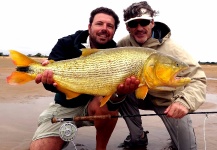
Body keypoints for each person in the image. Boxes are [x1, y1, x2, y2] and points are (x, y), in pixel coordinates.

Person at [29, 7, 140, 150]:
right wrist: (48, 80)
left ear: (113, 32)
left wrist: (121, 94)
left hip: (98, 106)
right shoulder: (66, 43)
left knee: (110, 106)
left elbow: (114, 101)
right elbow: (49, 85)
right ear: (89, 27)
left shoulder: (117, 52)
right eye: (99, 23)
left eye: (110, 26)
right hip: (66, 105)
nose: (104, 29)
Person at [117, 1, 207, 150]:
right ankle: (138, 137)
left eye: (144, 22)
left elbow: (198, 78)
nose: (139, 28)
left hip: (168, 101)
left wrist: (184, 102)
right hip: (139, 96)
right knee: (120, 95)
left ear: (152, 22)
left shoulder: (173, 49)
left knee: (187, 148)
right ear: (127, 27)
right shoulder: (122, 45)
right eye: (133, 24)